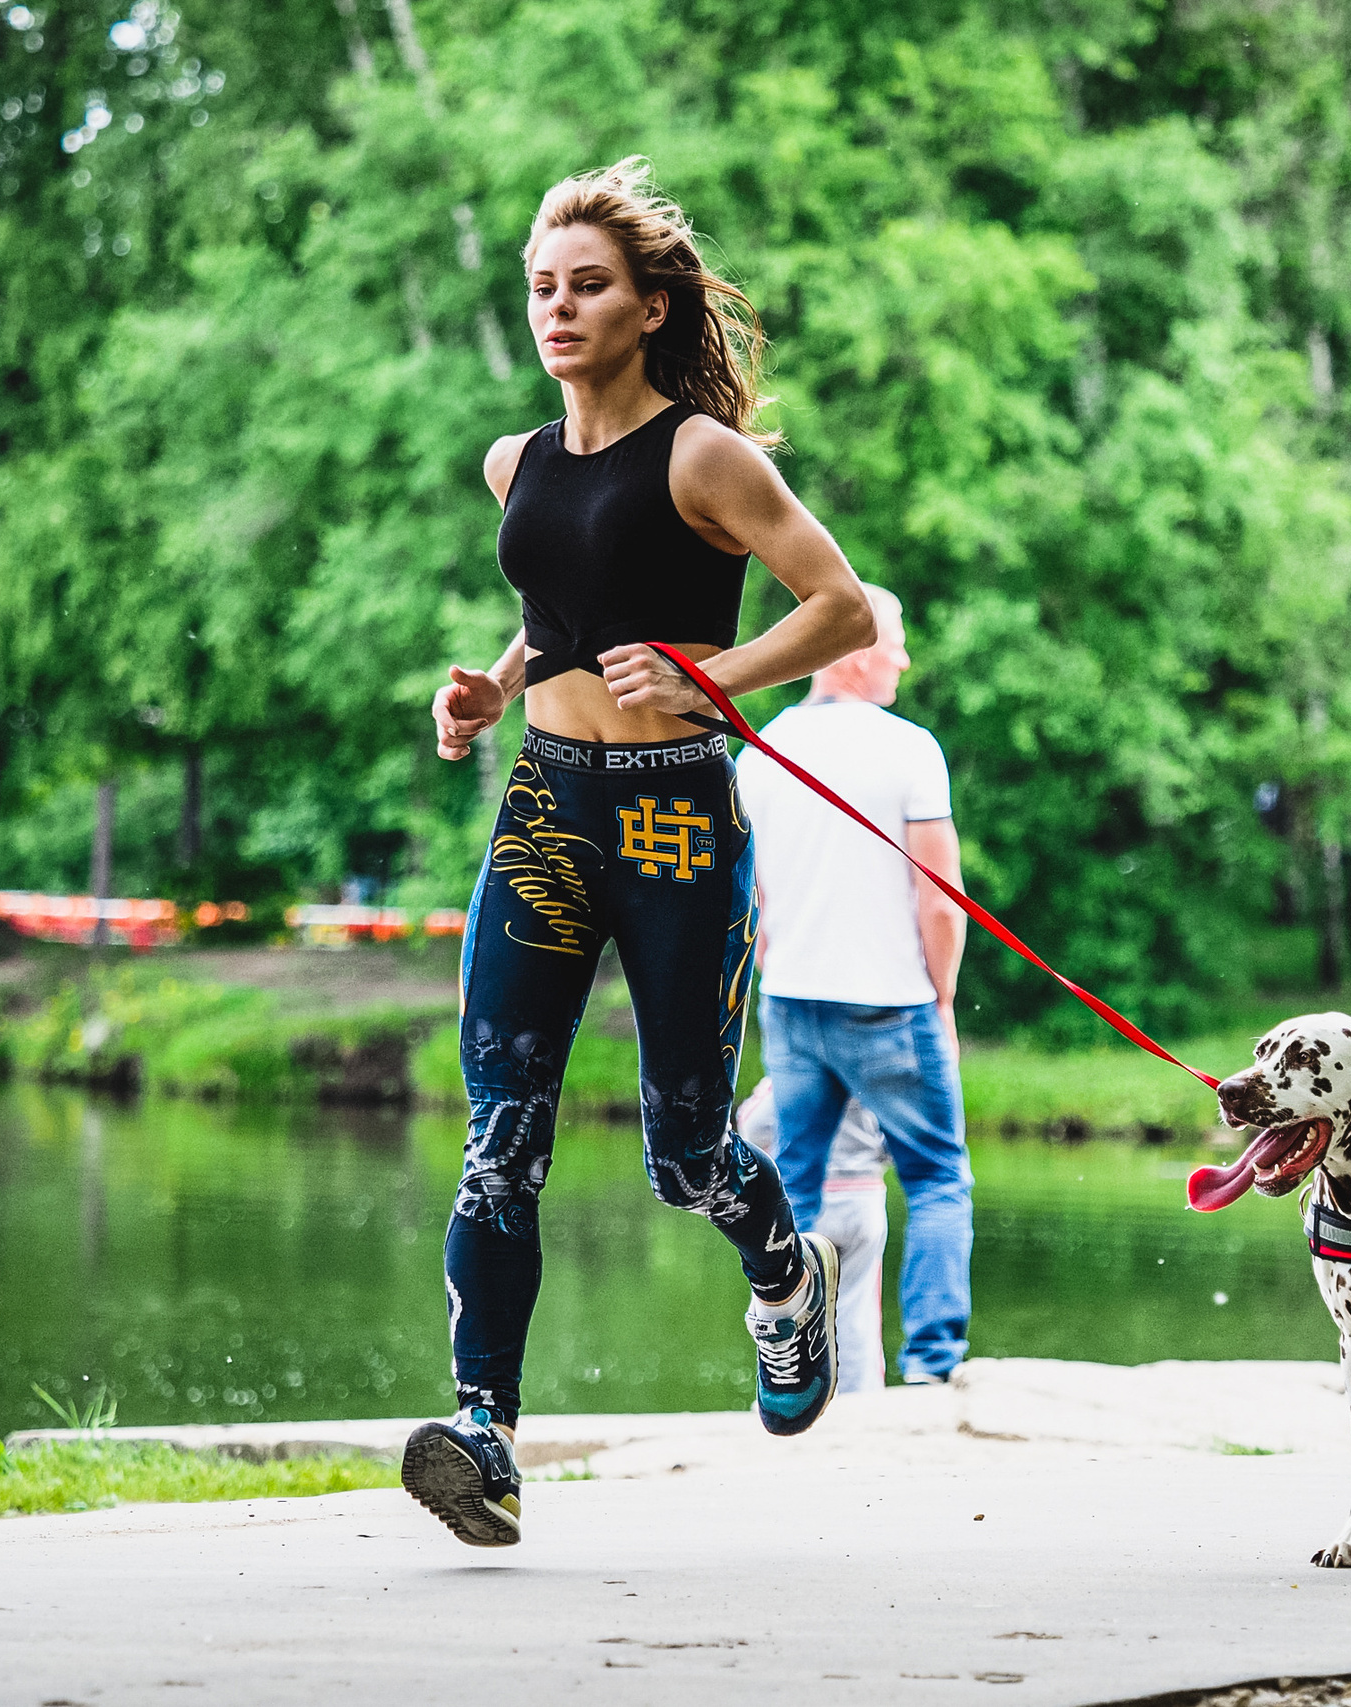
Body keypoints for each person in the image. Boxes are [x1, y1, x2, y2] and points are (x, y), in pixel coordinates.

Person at [411, 159, 877, 1548]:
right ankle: (484, 1430)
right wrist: (496, 689)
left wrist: (712, 677)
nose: (559, 307)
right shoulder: (517, 462)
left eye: (589, 285)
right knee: (500, 1139)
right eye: (543, 286)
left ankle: (786, 1274)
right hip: (547, 804)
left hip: (677, 810)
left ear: (648, 302)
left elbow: (841, 609)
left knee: (685, 1149)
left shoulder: (704, 456)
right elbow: (563, 600)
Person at [735, 586, 973, 1385]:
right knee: (939, 1178)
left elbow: (747, 905)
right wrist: (941, 999)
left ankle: (794, 1369)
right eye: (894, 641)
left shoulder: (759, 750)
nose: (903, 657)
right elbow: (940, 899)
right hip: (892, 1004)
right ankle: (933, 1369)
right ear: (852, 648)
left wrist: (778, 969)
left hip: (794, 1003)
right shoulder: (910, 749)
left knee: (792, 1186)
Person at [736, 1079, 892, 1393]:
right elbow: (897, 1140)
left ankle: (791, 1390)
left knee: (789, 1301)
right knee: (856, 1307)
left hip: (801, 1200)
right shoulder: (871, 1074)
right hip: (862, 1198)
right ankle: (859, 1394)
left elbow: (751, 1124)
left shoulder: (797, 1066)